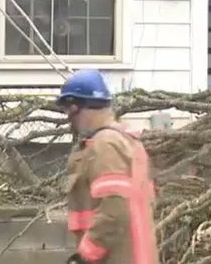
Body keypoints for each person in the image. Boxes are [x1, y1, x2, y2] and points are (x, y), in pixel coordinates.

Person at [60, 70, 159, 264]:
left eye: (68, 111)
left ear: (75, 108)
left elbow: (115, 209)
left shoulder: (105, 144)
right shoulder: (127, 141)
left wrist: (86, 254)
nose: (68, 120)